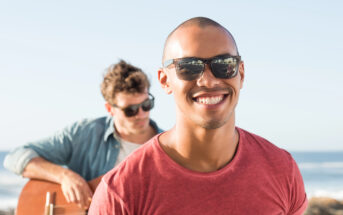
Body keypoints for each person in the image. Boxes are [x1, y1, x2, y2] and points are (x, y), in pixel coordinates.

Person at [88, 17, 308, 214]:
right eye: (189, 67)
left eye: (224, 65)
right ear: (165, 80)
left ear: (240, 74)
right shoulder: (121, 192)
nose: (208, 80)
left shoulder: (281, 170)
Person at [4, 60, 163, 209]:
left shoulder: (170, 147)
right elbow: (15, 158)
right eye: (130, 110)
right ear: (110, 109)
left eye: (146, 105)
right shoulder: (85, 133)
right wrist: (64, 176)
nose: (141, 114)